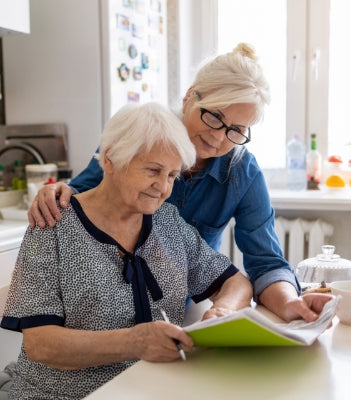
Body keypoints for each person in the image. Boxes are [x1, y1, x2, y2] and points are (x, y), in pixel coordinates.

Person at [28, 43, 333, 323]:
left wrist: (291, 303)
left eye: (236, 129)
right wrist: (55, 192)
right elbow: (82, 197)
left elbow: (266, 263)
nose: (217, 137)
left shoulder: (242, 172)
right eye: (214, 116)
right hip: (105, 311)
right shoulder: (140, 135)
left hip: (178, 310)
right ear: (190, 96)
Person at [1, 102, 253, 400]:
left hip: (150, 390)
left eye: (172, 175)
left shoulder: (167, 221)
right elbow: (41, 344)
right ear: (110, 160)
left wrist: (221, 311)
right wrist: (135, 342)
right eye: (153, 170)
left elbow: (235, 282)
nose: (162, 187)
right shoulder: (53, 223)